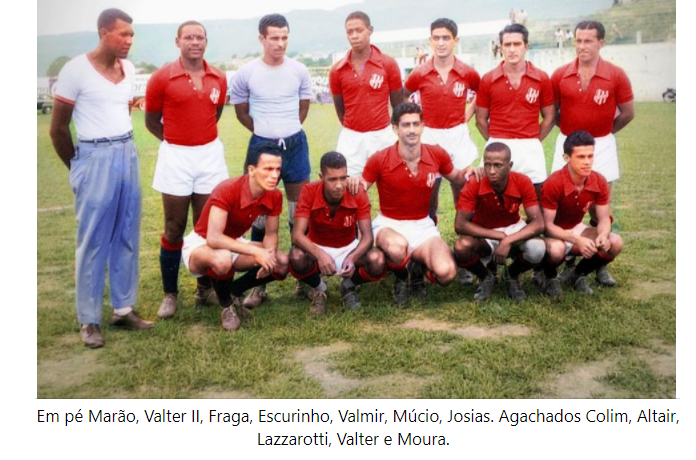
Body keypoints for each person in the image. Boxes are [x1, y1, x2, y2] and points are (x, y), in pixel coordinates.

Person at [49, 9, 152, 348]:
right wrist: (78, 167)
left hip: (127, 151)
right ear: (104, 32)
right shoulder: (75, 70)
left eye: (132, 35)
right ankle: (89, 319)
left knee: (126, 232)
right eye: (123, 34)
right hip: (93, 155)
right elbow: (59, 128)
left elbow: (122, 109)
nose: (129, 41)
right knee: (93, 239)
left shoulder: (129, 69)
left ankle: (123, 309)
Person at [145, 20, 229, 319]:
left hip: (209, 156)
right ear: (177, 41)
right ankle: (170, 294)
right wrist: (178, 142)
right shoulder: (160, 78)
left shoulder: (218, 76)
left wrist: (198, 141)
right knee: (174, 226)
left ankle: (204, 287)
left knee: (207, 227)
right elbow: (151, 121)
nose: (195, 42)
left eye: (200, 37)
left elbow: (214, 114)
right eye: (189, 37)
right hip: (175, 156)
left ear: (206, 41)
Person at [347, 102, 468, 306]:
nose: (411, 130)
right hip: (390, 224)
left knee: (446, 273)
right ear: (395, 128)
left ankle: (415, 269)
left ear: (422, 127)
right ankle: (402, 280)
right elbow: (362, 187)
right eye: (405, 125)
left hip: (422, 225)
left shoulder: (437, 154)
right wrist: (352, 181)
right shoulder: (380, 158)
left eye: (415, 124)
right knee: (396, 248)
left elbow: (457, 177)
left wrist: (475, 173)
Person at [230, 13, 312, 309]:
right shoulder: (246, 72)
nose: (280, 43)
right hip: (262, 144)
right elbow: (241, 113)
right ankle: (258, 283)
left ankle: (306, 276)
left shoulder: (299, 70)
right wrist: (265, 132)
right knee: (260, 214)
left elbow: (303, 108)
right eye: (274, 38)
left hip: (295, 144)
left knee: (299, 210)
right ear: (261, 38)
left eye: (284, 37)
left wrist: (286, 129)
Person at [550, 21, 634, 286]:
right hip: (567, 143)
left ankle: (599, 265)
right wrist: (571, 139)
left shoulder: (616, 74)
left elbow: (628, 113)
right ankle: (569, 261)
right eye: (578, 40)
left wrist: (602, 134)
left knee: (600, 210)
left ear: (601, 43)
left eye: (588, 41)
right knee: (565, 205)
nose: (582, 46)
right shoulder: (560, 74)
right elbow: (553, 114)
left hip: (601, 145)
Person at [404, 17, 481, 286]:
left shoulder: (468, 72)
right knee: (428, 197)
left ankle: (467, 258)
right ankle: (427, 254)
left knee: (464, 197)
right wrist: (417, 124)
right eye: (436, 37)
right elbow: (405, 97)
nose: (440, 42)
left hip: (458, 136)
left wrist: (465, 117)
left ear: (455, 40)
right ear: (430, 40)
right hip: (432, 137)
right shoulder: (420, 73)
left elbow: (482, 95)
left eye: (446, 37)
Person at [182, 143, 290, 331]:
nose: (274, 175)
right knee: (222, 258)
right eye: (268, 169)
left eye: (278, 169)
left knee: (280, 262)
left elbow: (271, 234)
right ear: (251, 170)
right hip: (201, 242)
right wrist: (256, 252)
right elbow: (213, 238)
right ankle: (226, 307)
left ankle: (232, 292)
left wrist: (268, 255)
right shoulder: (228, 188)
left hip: (234, 241)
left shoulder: (274, 195)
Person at [290, 152, 386, 313]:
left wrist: (352, 257)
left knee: (377, 260)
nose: (339, 185)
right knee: (295, 257)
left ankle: (348, 287)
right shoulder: (309, 191)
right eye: (332, 179)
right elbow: (297, 235)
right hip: (317, 246)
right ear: (321, 177)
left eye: (343, 178)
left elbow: (368, 236)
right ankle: (319, 288)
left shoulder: (357, 192)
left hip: (348, 247)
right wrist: (320, 255)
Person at [454, 143, 545, 302]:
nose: (491, 171)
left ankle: (511, 275)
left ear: (509, 165)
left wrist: (508, 239)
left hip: (514, 228)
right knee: (461, 247)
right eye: (487, 165)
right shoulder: (475, 182)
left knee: (537, 248)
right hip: (484, 231)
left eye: (498, 165)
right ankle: (486, 277)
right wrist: (497, 236)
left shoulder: (522, 181)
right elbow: (460, 225)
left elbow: (538, 224)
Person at [538, 131, 623, 297]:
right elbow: (547, 226)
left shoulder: (598, 180)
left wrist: (603, 234)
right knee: (556, 250)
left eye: (590, 156)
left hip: (576, 227)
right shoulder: (554, 182)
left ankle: (578, 274)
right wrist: (577, 240)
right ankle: (548, 277)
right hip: (552, 233)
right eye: (581, 157)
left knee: (615, 242)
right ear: (567, 157)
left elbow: (604, 218)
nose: (587, 162)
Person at [476, 23, 555, 196]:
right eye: (507, 44)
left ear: (526, 46)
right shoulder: (488, 79)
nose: (512, 49)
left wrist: (533, 139)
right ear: (501, 47)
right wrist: (495, 141)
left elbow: (550, 117)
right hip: (499, 143)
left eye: (517, 44)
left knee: (537, 199)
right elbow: (480, 119)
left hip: (530, 147)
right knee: (492, 200)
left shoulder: (541, 77)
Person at [329, 11, 403, 177]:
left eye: (359, 30)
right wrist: (356, 128)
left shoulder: (388, 64)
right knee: (352, 191)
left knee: (392, 186)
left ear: (370, 30)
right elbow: (340, 110)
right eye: (350, 32)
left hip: (383, 135)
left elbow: (398, 106)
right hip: (351, 138)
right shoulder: (337, 70)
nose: (354, 36)